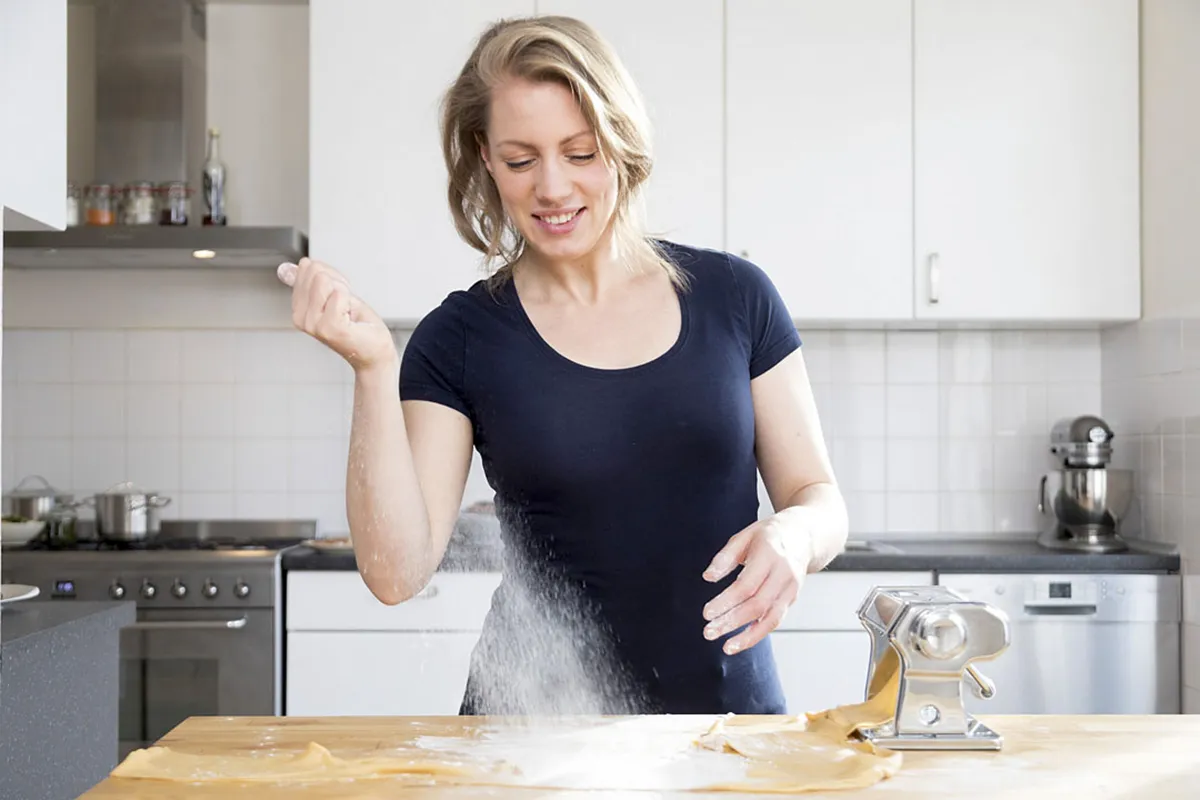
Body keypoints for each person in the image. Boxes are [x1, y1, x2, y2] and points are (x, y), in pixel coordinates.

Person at [278, 15, 848, 716]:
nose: (551, 187)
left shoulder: (735, 298)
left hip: (724, 727)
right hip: (531, 736)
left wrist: (794, 536)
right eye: (521, 160)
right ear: (484, 157)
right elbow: (396, 573)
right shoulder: (459, 336)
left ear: (621, 145)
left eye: (580, 153)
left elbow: (820, 497)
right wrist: (371, 369)